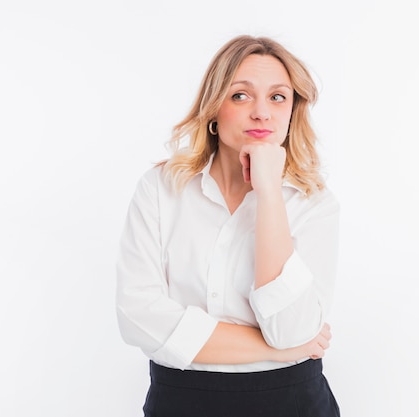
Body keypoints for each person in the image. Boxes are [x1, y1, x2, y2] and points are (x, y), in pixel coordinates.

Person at [116, 34, 340, 417]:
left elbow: (290, 329)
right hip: (181, 400)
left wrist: (269, 193)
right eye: (240, 95)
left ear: (292, 111)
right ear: (214, 109)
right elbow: (138, 319)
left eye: (277, 97)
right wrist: (280, 348)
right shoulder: (161, 189)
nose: (261, 113)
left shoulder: (313, 203)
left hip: (292, 402)